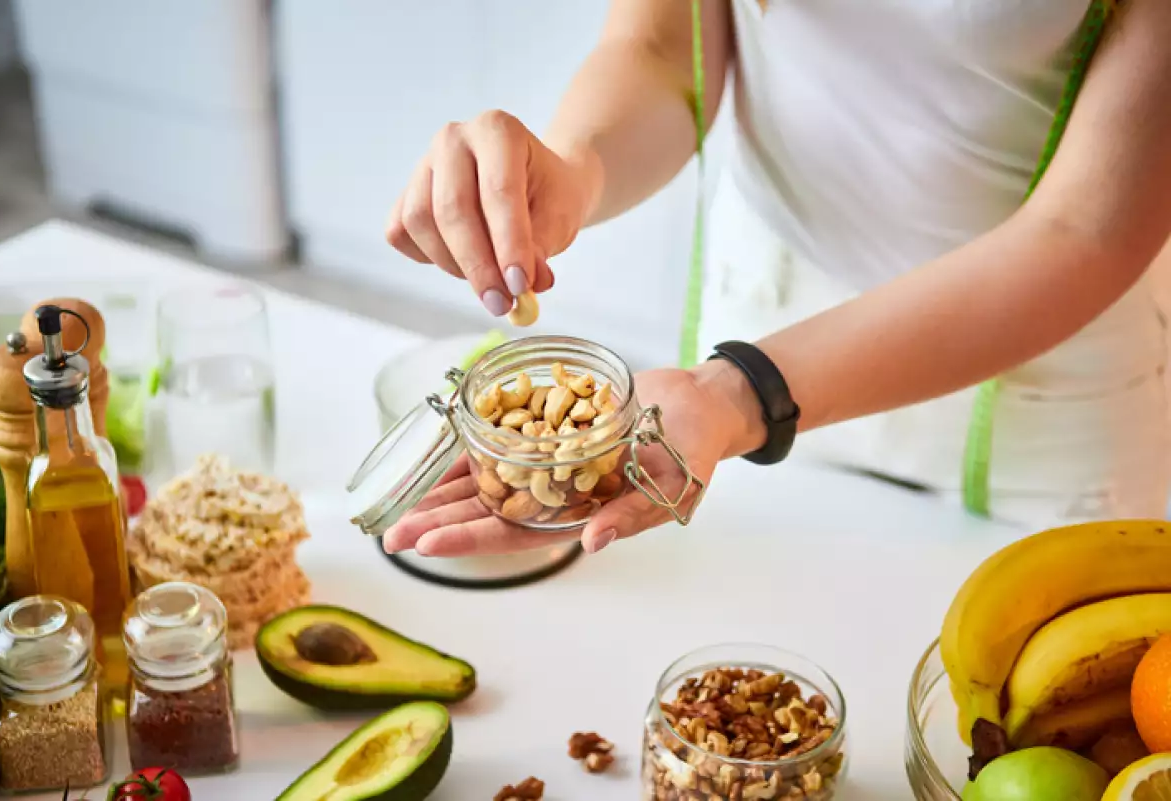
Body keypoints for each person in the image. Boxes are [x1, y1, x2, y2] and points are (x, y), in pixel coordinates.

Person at [381, 0, 1171, 558]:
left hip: (1038, 385)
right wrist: (572, 170)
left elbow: (1087, 229)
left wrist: (741, 392)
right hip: (758, 321)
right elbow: (660, 48)